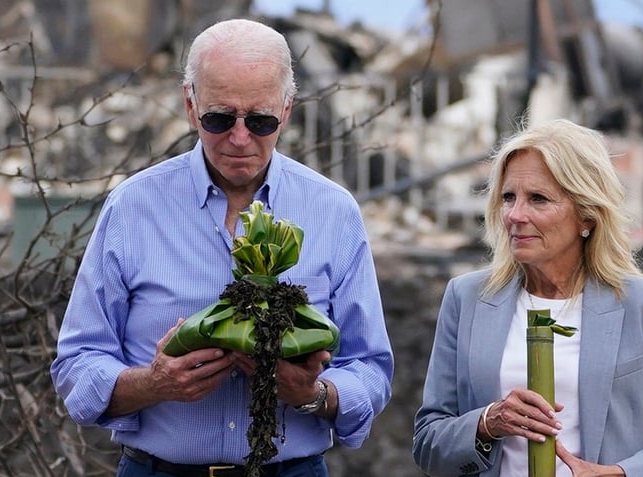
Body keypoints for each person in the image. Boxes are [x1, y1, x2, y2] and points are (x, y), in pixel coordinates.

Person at [51, 18, 393, 477]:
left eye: (260, 120)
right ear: (190, 106)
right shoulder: (133, 207)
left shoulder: (333, 211)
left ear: (287, 109)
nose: (239, 138)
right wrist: (152, 384)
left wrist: (312, 394)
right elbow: (76, 363)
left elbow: (370, 366)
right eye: (218, 117)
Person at [412, 119, 643, 477]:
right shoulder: (467, 298)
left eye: (538, 199)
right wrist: (487, 422)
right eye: (508, 197)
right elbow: (428, 443)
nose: (515, 215)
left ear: (587, 214)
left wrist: (617, 474)